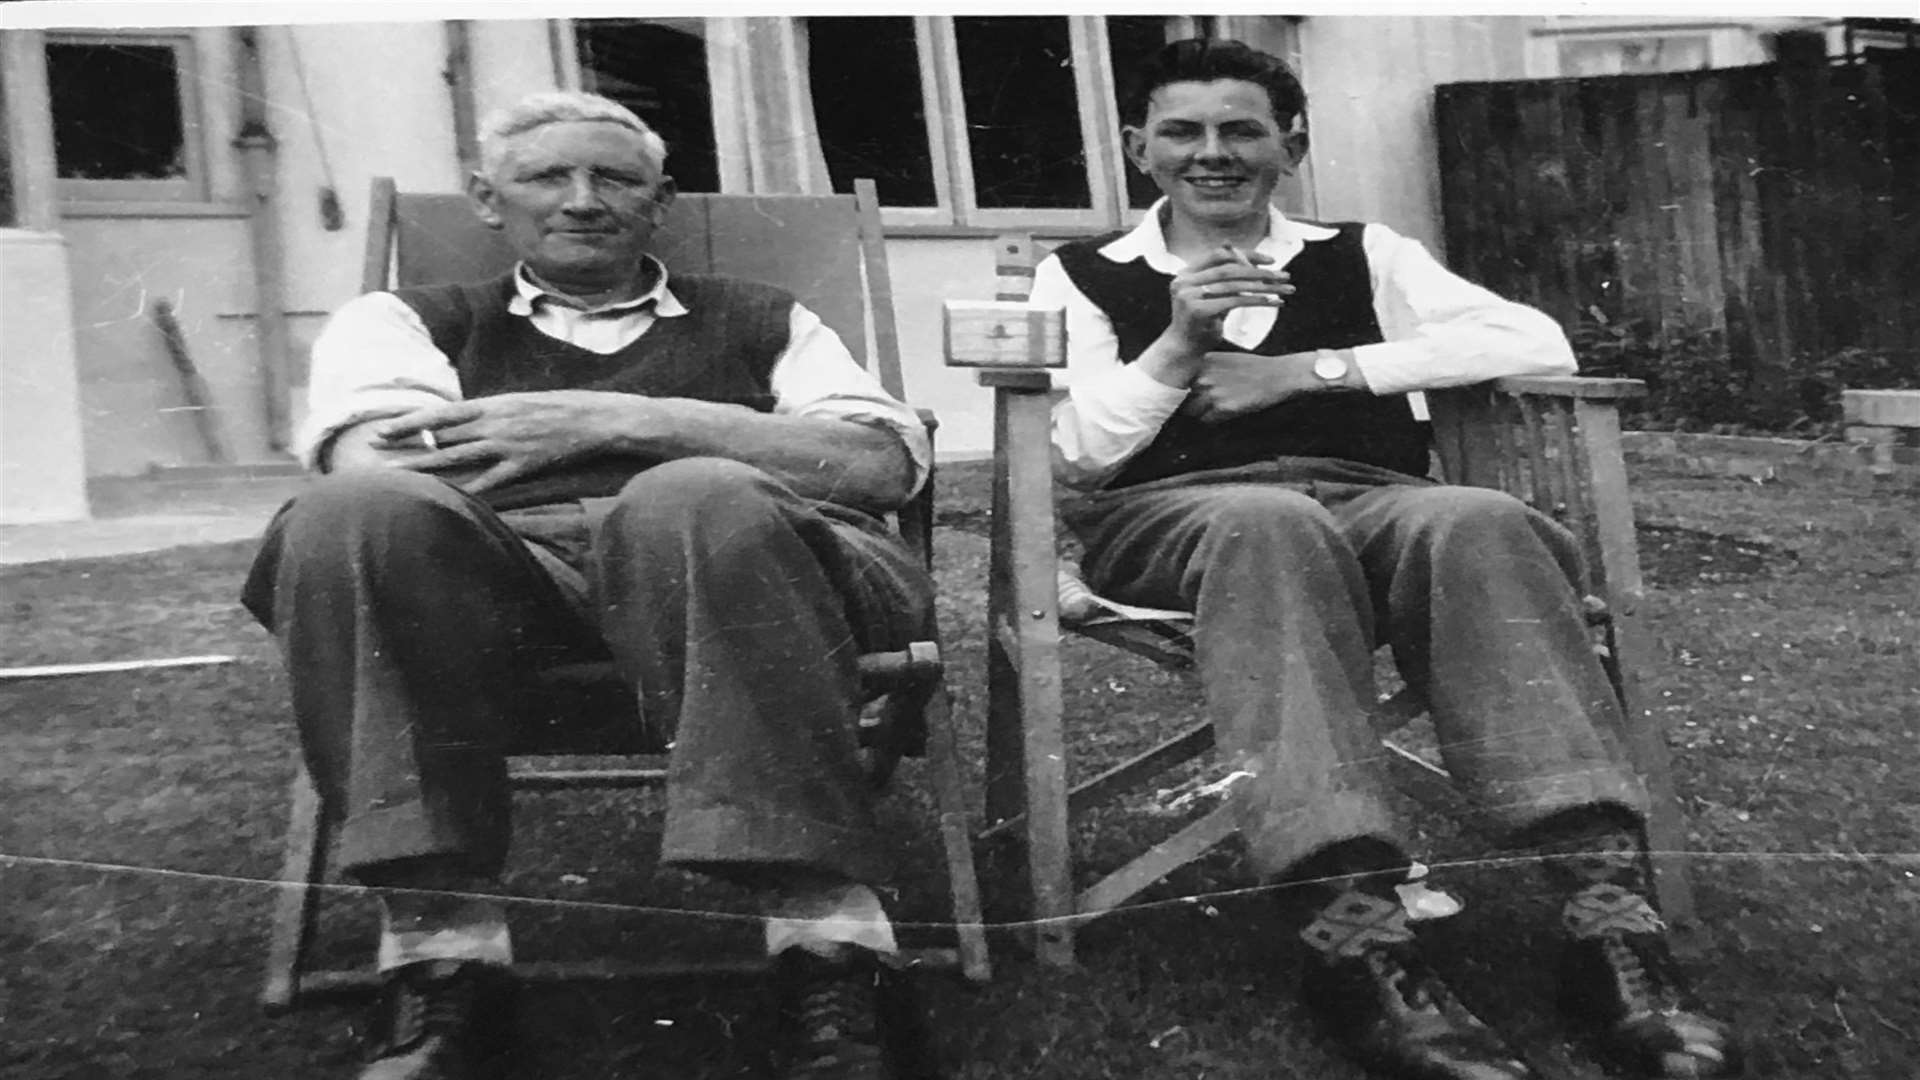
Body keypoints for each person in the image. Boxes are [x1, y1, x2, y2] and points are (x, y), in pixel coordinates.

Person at [1028, 38, 1741, 1080]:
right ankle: (1354, 938)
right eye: (1183, 131)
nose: (1212, 153)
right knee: (1271, 524)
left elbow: (1535, 342)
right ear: (1141, 148)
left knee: (1480, 520)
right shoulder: (1086, 273)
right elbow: (1072, 452)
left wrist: (1317, 370)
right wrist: (1177, 345)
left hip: (1370, 502)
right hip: (1179, 519)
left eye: (1243, 130)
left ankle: (1609, 926)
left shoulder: (1363, 254)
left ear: (1292, 144)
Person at [242, 91, 930, 1080]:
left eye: (614, 178)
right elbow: (376, 469)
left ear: (662, 197)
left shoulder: (765, 315)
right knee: (352, 519)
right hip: (513, 593)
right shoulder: (403, 322)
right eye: (545, 177)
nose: (582, 200)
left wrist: (607, 424)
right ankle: (442, 956)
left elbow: (873, 466)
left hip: (760, 567)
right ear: (488, 198)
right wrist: (733, 431)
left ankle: (833, 946)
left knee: (695, 498)